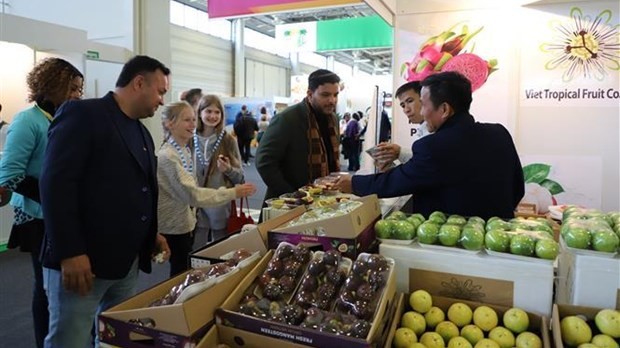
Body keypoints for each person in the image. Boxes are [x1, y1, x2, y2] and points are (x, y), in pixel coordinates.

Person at [39, 55, 172, 348]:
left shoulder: (141, 132)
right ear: (139, 83)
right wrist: (70, 252)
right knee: (69, 341)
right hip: (82, 265)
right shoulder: (83, 114)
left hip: (125, 264)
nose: (162, 100)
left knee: (115, 339)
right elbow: (56, 185)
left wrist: (152, 234)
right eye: (161, 91)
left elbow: (138, 190)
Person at [336, 71, 524, 219]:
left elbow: (395, 182)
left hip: (453, 244)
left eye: (423, 105)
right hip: (499, 238)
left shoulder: (434, 146)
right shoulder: (500, 133)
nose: (422, 113)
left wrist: (353, 183)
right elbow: (518, 188)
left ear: (444, 109)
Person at [0, 57, 83, 348]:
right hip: (36, 216)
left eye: (79, 90)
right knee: (45, 287)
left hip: (61, 213)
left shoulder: (66, 117)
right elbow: (10, 171)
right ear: (50, 86)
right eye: (71, 88)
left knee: (58, 285)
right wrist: (49, 194)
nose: (75, 95)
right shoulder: (28, 119)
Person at [158, 101, 256, 277]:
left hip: (200, 214)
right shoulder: (170, 155)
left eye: (193, 119)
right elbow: (192, 193)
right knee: (185, 268)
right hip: (182, 221)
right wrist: (234, 192)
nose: (193, 124)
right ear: (169, 123)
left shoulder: (186, 149)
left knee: (216, 253)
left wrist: (229, 173)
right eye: (187, 120)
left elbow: (238, 175)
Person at [256, 69, 341, 203]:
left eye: (335, 95)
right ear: (310, 94)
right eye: (325, 95)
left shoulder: (333, 120)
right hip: (289, 205)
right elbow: (264, 161)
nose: (332, 100)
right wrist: (291, 195)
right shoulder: (287, 119)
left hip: (324, 199)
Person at [194, 95, 246, 244]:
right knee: (195, 250)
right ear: (200, 113)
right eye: (208, 111)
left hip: (220, 205)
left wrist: (228, 169)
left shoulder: (228, 140)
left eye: (217, 112)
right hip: (195, 203)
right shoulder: (190, 139)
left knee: (220, 251)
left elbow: (240, 178)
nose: (213, 116)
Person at [372, 81, 430, 171]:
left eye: (410, 101)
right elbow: (418, 168)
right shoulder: (423, 129)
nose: (406, 109)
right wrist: (389, 167)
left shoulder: (437, 131)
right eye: (403, 105)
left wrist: (399, 152)